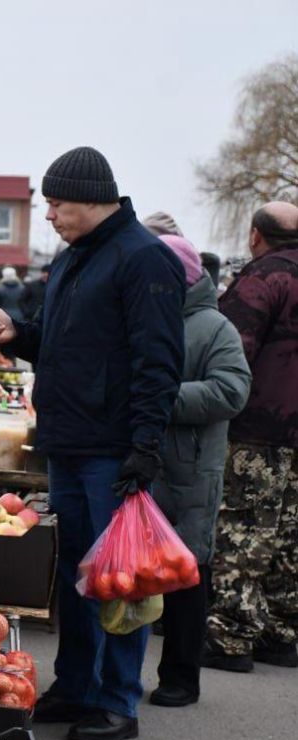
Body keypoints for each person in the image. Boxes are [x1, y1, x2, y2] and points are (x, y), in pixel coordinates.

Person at [0, 146, 185, 740]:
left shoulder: (144, 259)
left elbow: (158, 363)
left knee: (120, 577)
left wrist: (144, 447)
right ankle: (76, 686)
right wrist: (17, 336)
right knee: (77, 574)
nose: (49, 215)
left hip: (112, 449)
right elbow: (65, 348)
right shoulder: (74, 261)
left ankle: (118, 700)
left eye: (56, 203)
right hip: (68, 442)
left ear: (92, 198)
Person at [148, 235, 251, 707]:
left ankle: (181, 677)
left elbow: (231, 392)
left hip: (191, 466)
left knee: (188, 570)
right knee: (133, 567)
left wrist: (162, 397)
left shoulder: (216, 328)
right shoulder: (146, 315)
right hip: (143, 460)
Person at [204, 200, 298, 672]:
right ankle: (281, 634)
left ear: (255, 236)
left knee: (243, 528)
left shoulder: (263, 278)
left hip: (259, 428)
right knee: (288, 534)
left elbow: (233, 354)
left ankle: (231, 636)